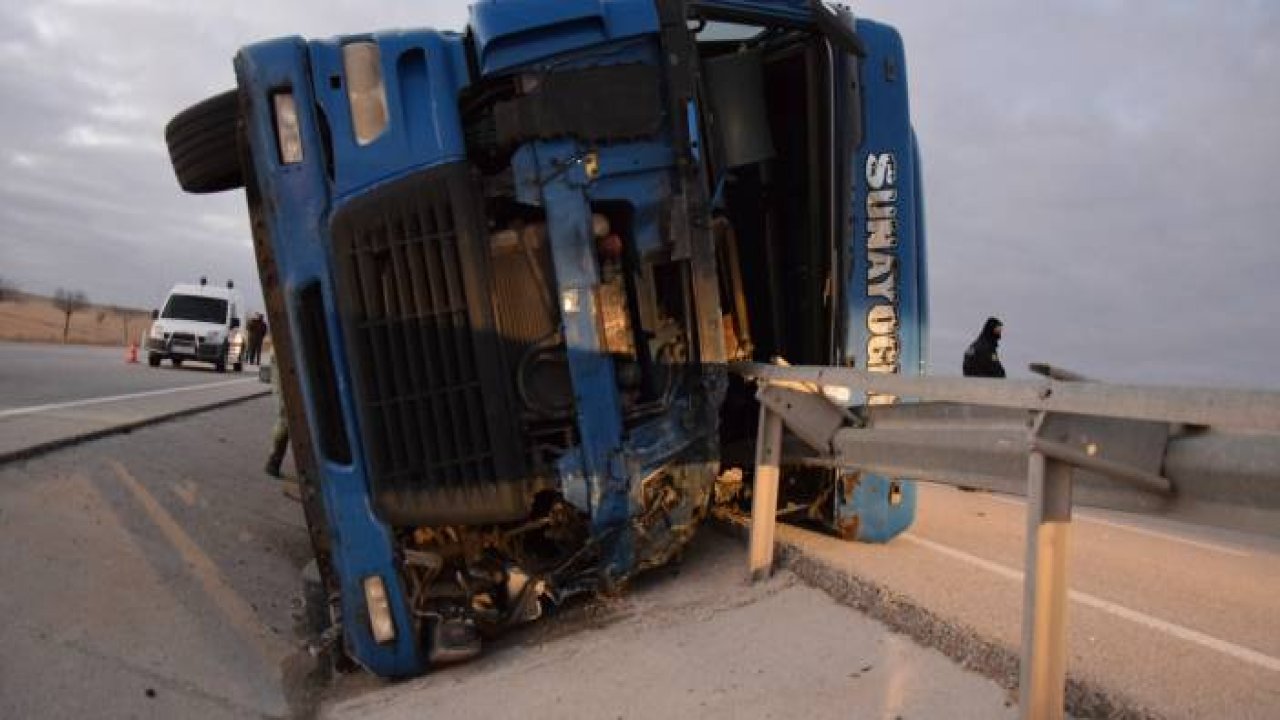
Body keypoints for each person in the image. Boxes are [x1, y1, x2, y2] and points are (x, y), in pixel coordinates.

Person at [265, 361, 290, 477]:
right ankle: (274, 461)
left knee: (286, 417)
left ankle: (274, 461)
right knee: (286, 416)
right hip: (284, 361)